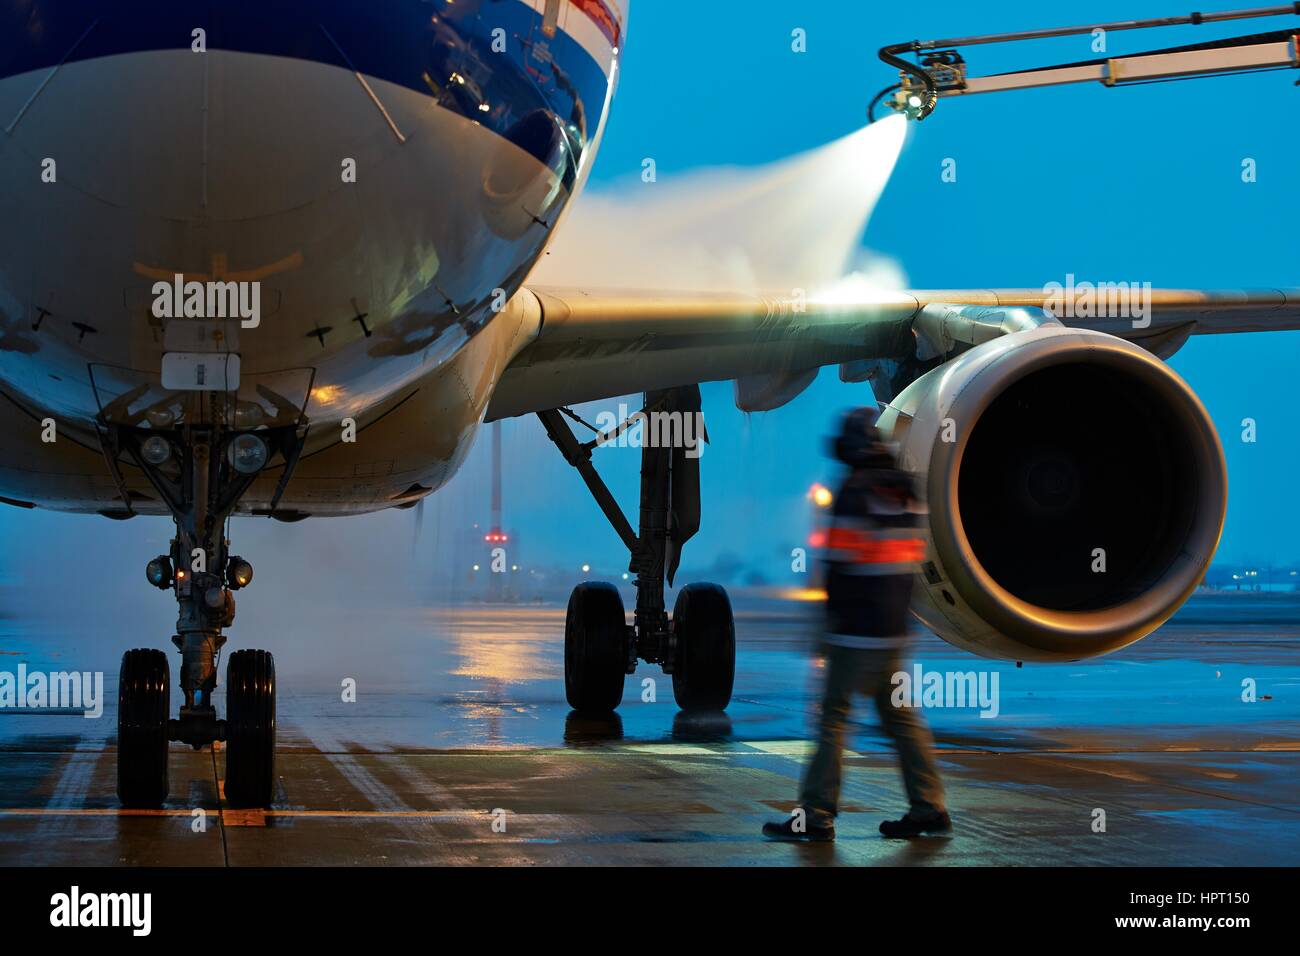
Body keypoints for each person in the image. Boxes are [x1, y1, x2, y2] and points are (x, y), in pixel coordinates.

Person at [764, 407, 950, 842]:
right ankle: (929, 807)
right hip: (893, 632)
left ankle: (816, 814)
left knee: (832, 720)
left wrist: (825, 628)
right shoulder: (907, 491)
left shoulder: (852, 492)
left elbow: (840, 567)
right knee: (901, 721)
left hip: (854, 632)